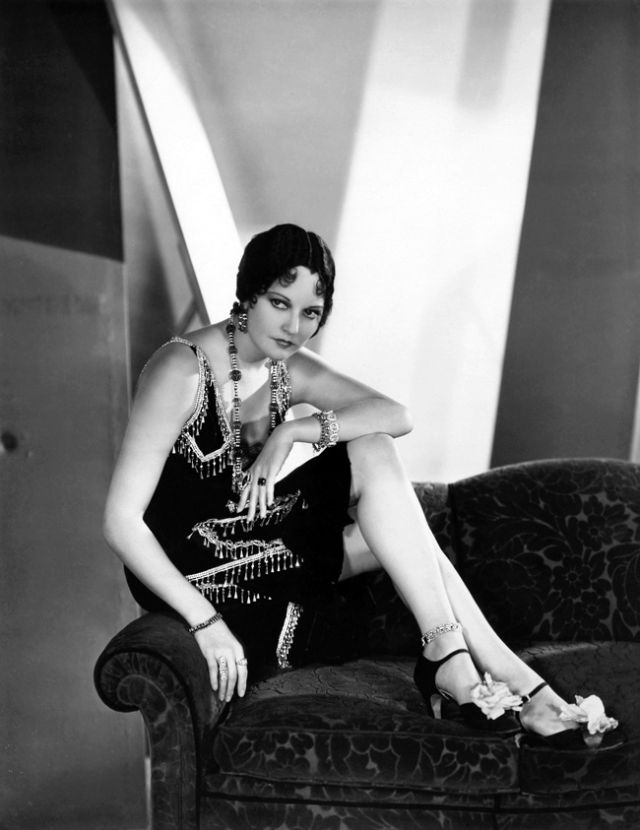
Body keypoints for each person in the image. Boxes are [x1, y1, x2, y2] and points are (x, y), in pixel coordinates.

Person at [104, 223, 619, 748]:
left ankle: (480, 667)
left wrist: (295, 430)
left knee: (379, 461)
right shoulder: (181, 370)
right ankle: (497, 676)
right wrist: (204, 621)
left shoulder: (285, 369)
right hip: (196, 572)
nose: (293, 327)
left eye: (310, 313)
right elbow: (121, 523)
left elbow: (396, 415)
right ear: (248, 294)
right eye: (279, 303)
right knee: (403, 528)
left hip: (256, 544)